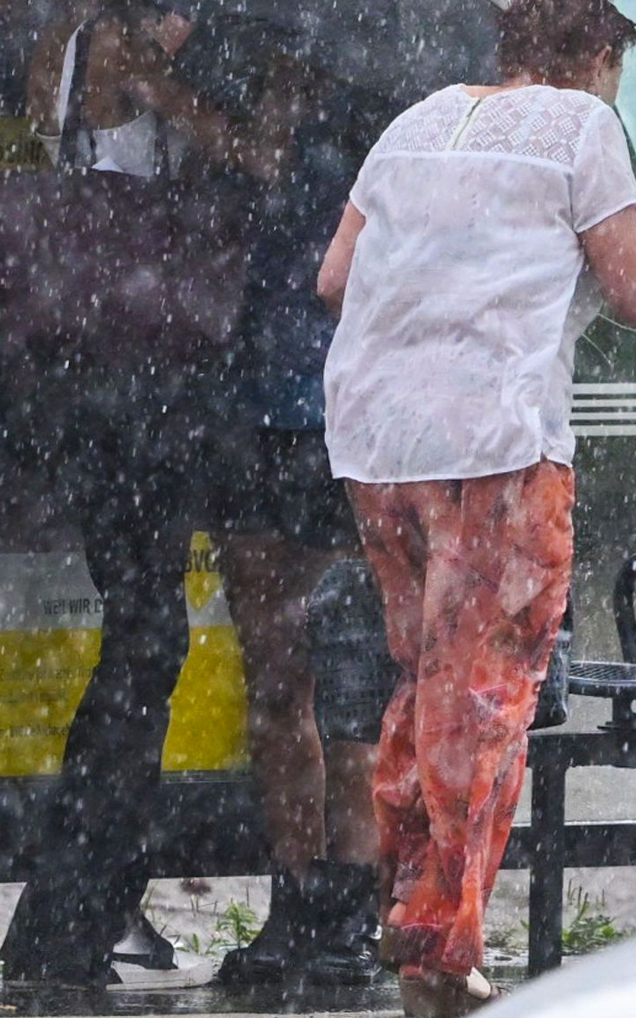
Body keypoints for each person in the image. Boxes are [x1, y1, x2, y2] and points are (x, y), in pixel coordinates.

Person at [317, 0, 636, 1015]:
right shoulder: (579, 127)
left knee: (425, 676)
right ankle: (445, 943)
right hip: (497, 449)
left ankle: (412, 899)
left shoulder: (417, 121)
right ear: (597, 60)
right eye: (617, 73)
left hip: (379, 443)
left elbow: (338, 277)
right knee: (491, 694)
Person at [0, 0, 275, 989]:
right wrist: (190, 86)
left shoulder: (66, 41)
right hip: (138, 382)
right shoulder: (125, 53)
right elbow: (253, 154)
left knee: (138, 625)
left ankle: (81, 895)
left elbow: (49, 140)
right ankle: (81, 897)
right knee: (148, 632)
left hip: (74, 375)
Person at [201, 51, 382, 986]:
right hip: (249, 408)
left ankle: (352, 900)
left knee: (347, 674)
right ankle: (295, 891)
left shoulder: (386, 114)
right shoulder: (231, 80)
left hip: (337, 415)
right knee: (274, 672)